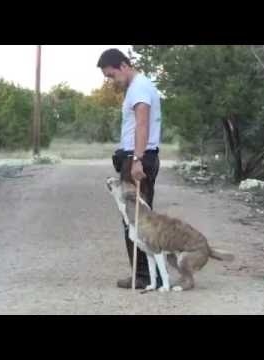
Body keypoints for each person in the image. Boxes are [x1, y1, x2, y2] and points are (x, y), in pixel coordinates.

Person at [97, 48, 163, 289]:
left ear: (123, 66)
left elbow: (142, 124)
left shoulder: (139, 88)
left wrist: (136, 159)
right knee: (136, 219)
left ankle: (144, 277)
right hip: (138, 156)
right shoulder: (138, 87)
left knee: (136, 221)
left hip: (139, 159)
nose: (111, 81)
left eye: (111, 75)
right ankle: (145, 275)